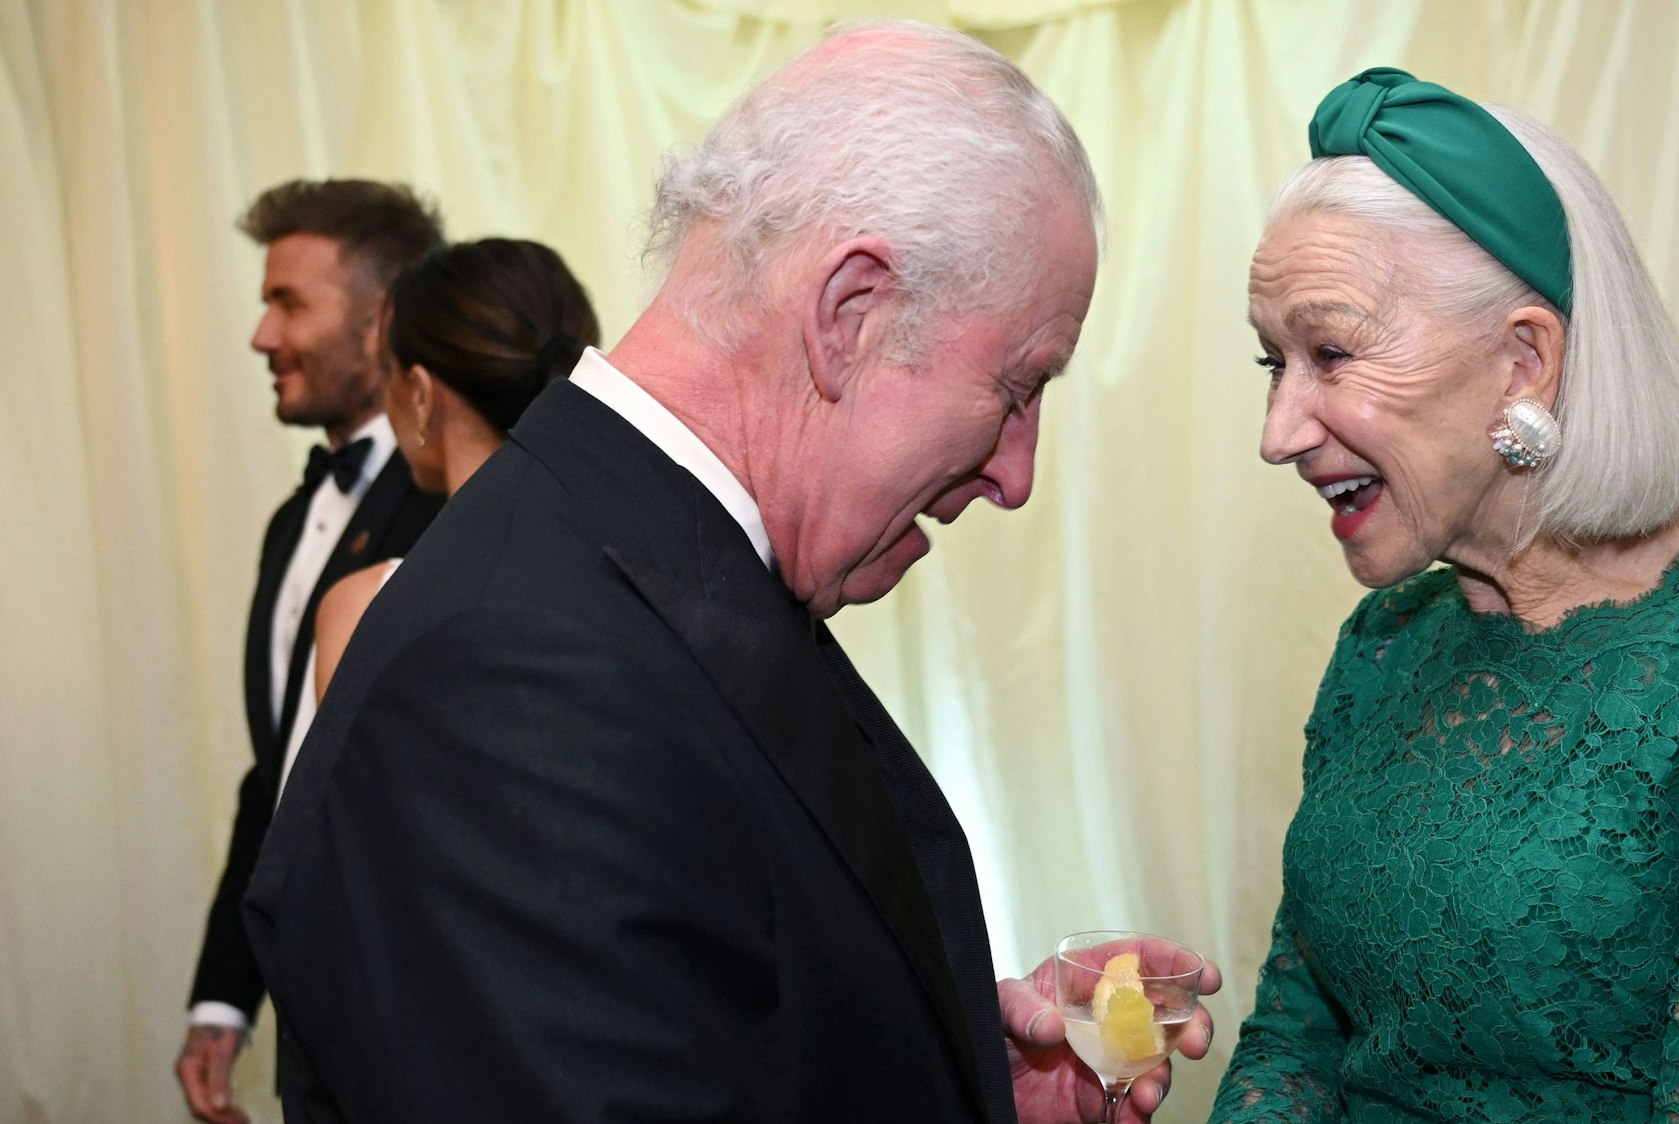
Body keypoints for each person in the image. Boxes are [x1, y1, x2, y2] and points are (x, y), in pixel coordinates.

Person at [245, 22, 1215, 1124]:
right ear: (851, 314)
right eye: (1017, 384)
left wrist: (968, 1077)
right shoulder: (510, 679)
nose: (1015, 473)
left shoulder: (665, 565)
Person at [1209, 68, 1679, 1123]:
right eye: (1273, 362)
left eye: (1331, 352)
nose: (1278, 431)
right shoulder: (1384, 643)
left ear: (1525, 357)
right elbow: (1300, 1031)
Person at [177, 179, 444, 1124]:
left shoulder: (458, 507)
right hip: (316, 1023)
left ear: (382, 323)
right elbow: (281, 778)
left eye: (288, 302)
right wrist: (223, 1001)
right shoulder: (294, 524)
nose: (261, 336)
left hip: (432, 1020)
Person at [283, 237, 601, 798]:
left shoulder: (368, 608)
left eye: (389, 375)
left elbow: (338, 852)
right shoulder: (659, 574)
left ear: (423, 397)